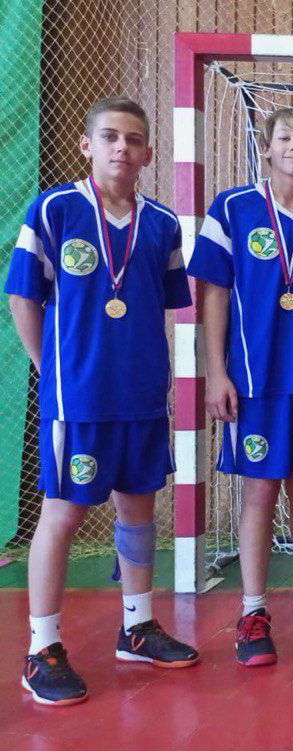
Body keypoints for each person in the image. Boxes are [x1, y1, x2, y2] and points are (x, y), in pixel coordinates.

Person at [7, 97, 199, 705]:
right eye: (110, 137)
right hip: (80, 400)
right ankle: (42, 649)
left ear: (148, 153)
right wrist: (50, 369)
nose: (122, 147)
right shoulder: (54, 209)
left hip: (141, 396)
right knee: (63, 513)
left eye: (134, 139)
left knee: (138, 512)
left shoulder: (163, 224)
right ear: (87, 145)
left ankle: (137, 627)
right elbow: (23, 298)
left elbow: (165, 302)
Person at [187, 107, 293, 666]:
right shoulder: (233, 208)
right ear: (267, 146)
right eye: (285, 138)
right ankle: (252, 610)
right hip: (253, 382)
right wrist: (216, 372)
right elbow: (212, 293)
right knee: (259, 493)